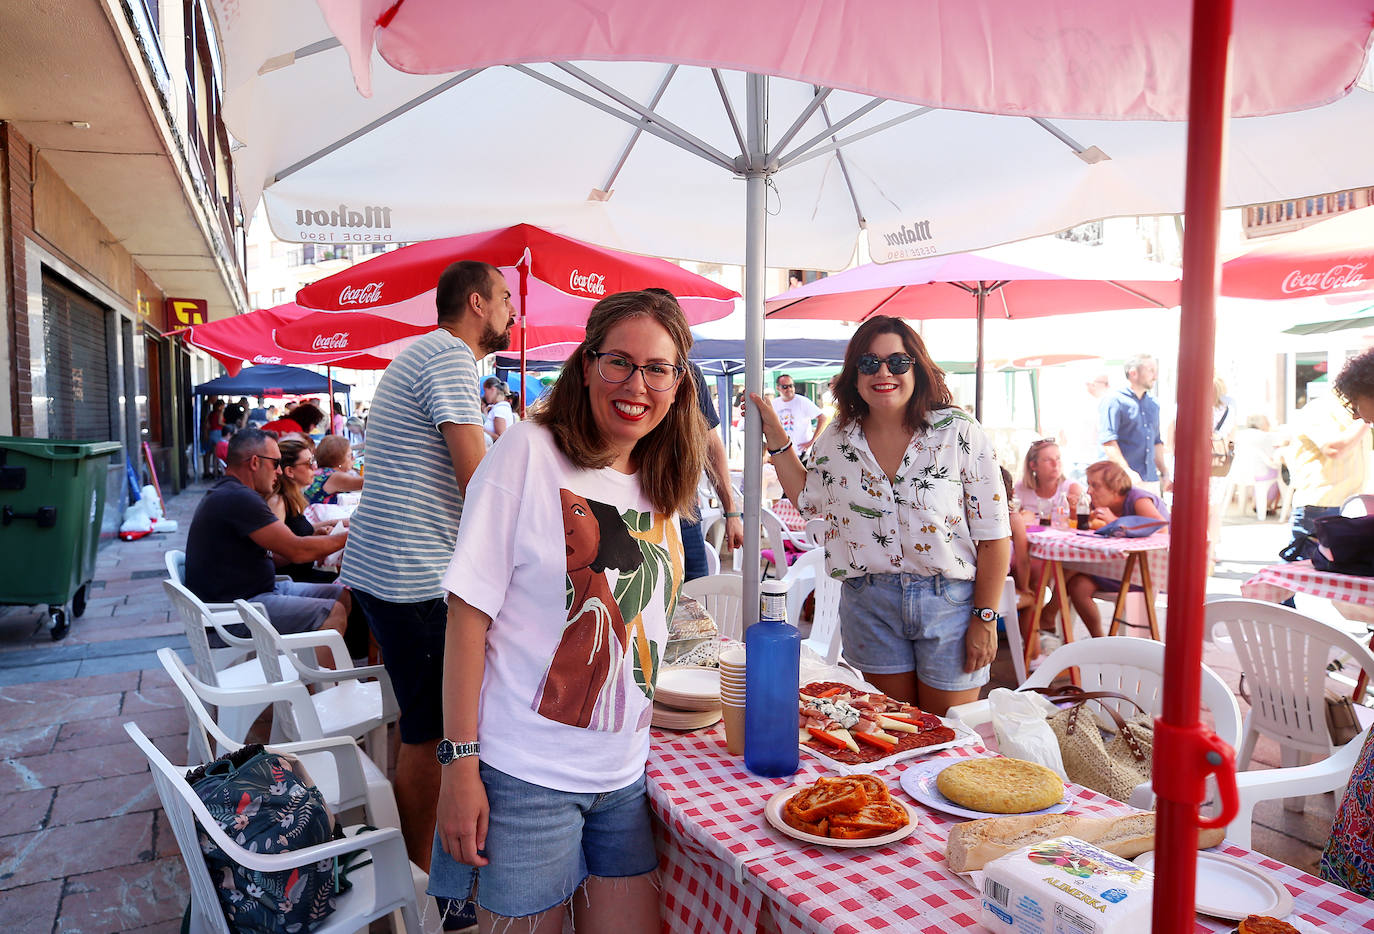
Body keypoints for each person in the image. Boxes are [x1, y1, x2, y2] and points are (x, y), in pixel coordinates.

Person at [433, 290, 701, 933]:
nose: (637, 385)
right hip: (523, 778)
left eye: (657, 368)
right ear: (587, 366)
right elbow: (467, 620)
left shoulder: (662, 474)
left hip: (625, 776)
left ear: (678, 381)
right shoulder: (527, 451)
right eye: (619, 363)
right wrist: (459, 767)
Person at [339, 259, 513, 879]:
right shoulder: (448, 357)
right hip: (412, 576)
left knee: (424, 720)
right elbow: (480, 477)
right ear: (476, 303)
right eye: (505, 299)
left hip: (389, 572)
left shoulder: (425, 354)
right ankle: (422, 876)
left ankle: (422, 866)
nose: (512, 312)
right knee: (432, 731)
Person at [753, 315, 1011, 715]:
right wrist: (776, 436)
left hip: (950, 604)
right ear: (855, 375)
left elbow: (995, 536)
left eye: (897, 362)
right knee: (890, 734)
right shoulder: (837, 438)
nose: (883, 372)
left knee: (947, 735)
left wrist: (986, 617)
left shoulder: (958, 433)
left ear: (917, 369)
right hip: (868, 601)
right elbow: (807, 498)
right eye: (869, 363)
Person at [183, 429, 350, 666]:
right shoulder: (239, 498)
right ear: (254, 462)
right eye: (276, 464)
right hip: (236, 611)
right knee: (335, 611)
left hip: (256, 594)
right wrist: (352, 535)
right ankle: (319, 694)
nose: (280, 471)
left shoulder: (230, 492)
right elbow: (298, 550)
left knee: (342, 593)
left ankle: (315, 675)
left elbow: (281, 553)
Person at [1063, 460, 1169, 638]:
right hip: (1116, 568)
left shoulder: (1138, 499)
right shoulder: (1101, 504)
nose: (1089, 491)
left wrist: (1115, 522)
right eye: (1088, 484)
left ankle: (1046, 617)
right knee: (1077, 585)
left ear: (1115, 487)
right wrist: (1076, 511)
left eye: (1095, 485)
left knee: (1070, 568)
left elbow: (1161, 529)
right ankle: (1099, 640)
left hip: (1143, 573)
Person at [1013, 438, 1081, 643]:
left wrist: (1075, 509)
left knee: (1076, 565)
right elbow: (1014, 518)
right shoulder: (1021, 489)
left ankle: (1046, 617)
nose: (1056, 464)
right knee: (1033, 571)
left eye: (1058, 459)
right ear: (1033, 465)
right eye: (1048, 460)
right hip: (1028, 552)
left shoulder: (1071, 488)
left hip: (1059, 550)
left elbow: (1079, 522)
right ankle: (1032, 640)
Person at [1285, 384, 1369, 543]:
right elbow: (1333, 449)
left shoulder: (1357, 411)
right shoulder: (1320, 409)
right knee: (1304, 566)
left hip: (1351, 508)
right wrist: (1366, 418)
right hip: (1320, 508)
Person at [1099, 354, 1171, 494]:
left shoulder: (1153, 403)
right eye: (1150, 370)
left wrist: (1164, 471)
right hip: (1121, 480)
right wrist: (1126, 471)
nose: (1155, 376)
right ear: (1133, 373)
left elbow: (1156, 442)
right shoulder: (1114, 401)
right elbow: (1108, 442)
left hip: (1149, 478)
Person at [772, 373, 829, 456]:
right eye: (785, 387)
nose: (789, 389)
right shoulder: (774, 403)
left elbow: (822, 418)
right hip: (782, 450)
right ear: (778, 388)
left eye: (791, 386)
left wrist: (812, 441)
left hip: (802, 452)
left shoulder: (802, 401)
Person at [304, 435, 364, 505]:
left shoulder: (320, 472)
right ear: (339, 460)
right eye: (350, 456)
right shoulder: (336, 477)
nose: (353, 459)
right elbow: (366, 483)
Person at [481, 376, 514, 444]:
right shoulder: (500, 408)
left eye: (485, 391)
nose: (484, 395)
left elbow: (501, 438)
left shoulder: (499, 410)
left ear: (493, 389)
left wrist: (481, 429)